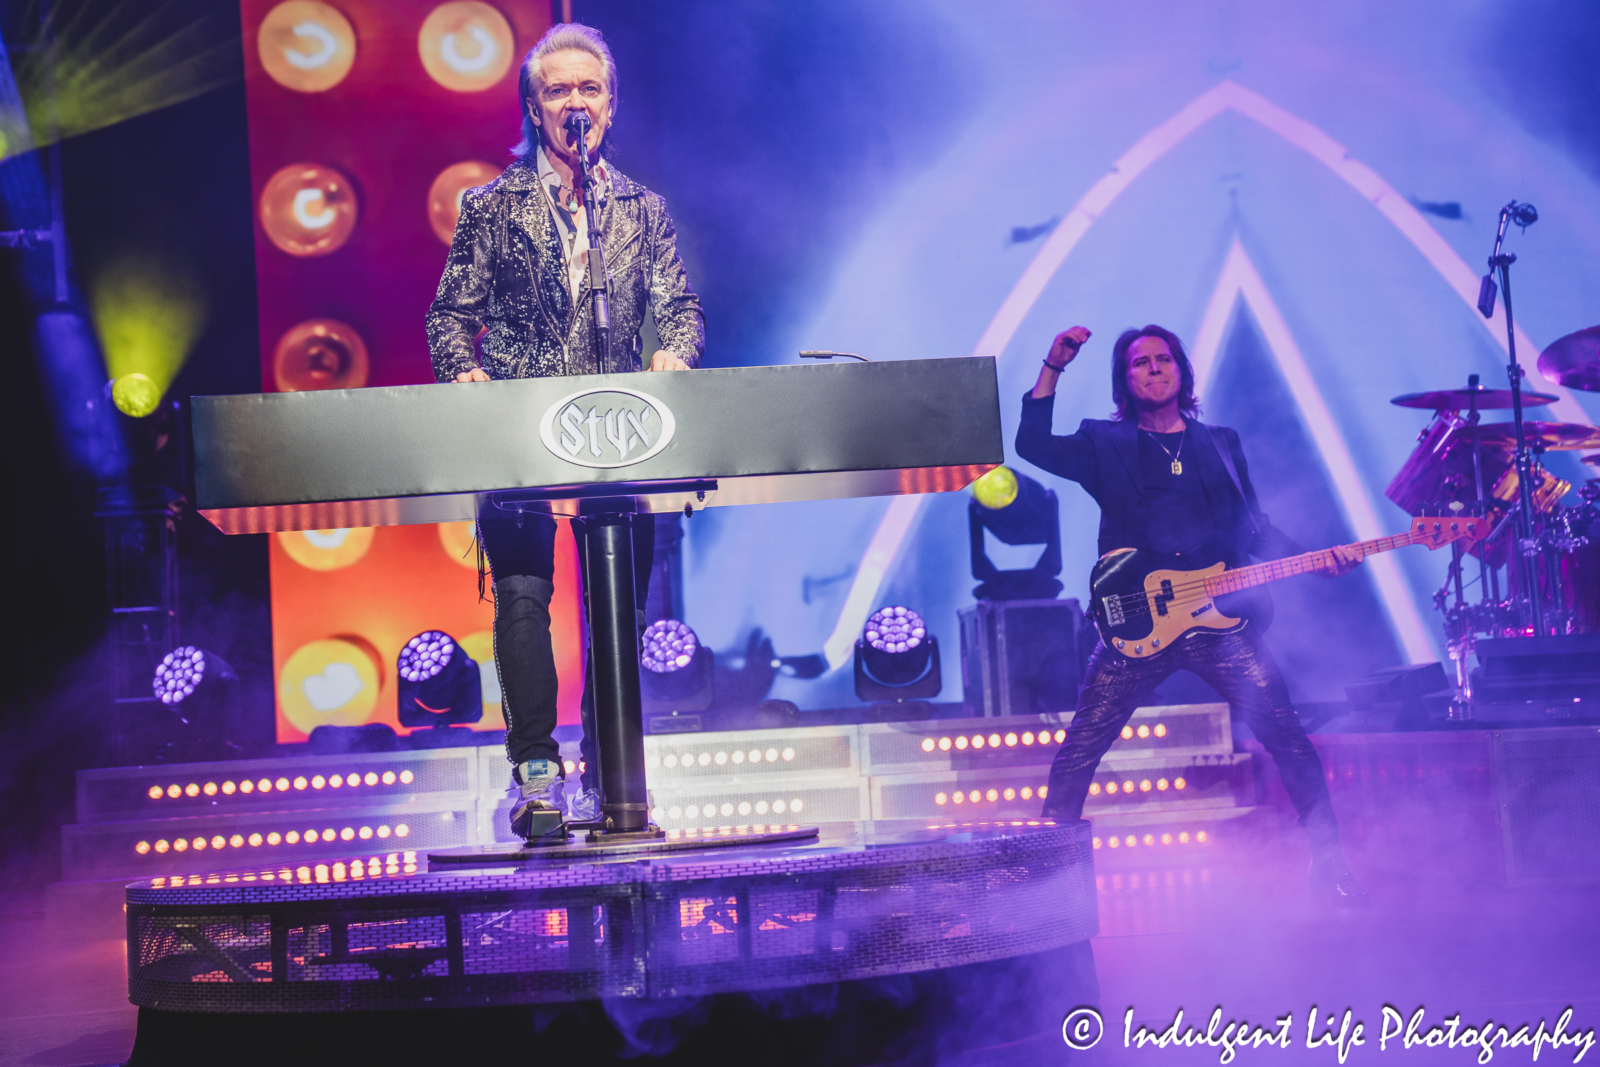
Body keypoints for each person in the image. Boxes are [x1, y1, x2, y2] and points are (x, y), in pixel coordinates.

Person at [426, 23, 704, 841]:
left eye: (589, 88)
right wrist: (465, 375)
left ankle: (610, 771)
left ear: (610, 105)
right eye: (558, 90)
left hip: (620, 436)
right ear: (534, 106)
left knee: (617, 604)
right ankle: (537, 776)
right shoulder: (491, 206)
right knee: (522, 596)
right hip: (520, 431)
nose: (575, 102)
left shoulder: (642, 209)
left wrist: (675, 351)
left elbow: (682, 308)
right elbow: (449, 318)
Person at [1015, 324, 1369, 906]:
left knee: (1289, 737)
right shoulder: (1104, 441)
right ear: (1124, 380)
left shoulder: (1221, 444)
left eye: (1164, 359)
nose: (1154, 368)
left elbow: (1254, 531)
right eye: (1140, 362)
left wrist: (1316, 561)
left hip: (1219, 621)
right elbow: (1031, 445)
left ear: (1182, 371)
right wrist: (1054, 366)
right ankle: (1047, 890)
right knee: (1080, 750)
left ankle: (1331, 868)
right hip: (1138, 623)